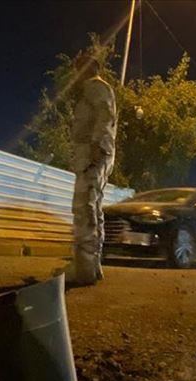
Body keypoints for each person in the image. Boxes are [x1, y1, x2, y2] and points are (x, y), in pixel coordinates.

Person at [62, 54, 118, 286]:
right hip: (95, 154)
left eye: (79, 68)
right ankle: (92, 266)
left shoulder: (94, 86)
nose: (77, 73)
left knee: (83, 207)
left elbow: (105, 115)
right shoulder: (95, 88)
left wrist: (95, 146)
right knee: (94, 209)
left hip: (92, 154)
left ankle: (84, 269)